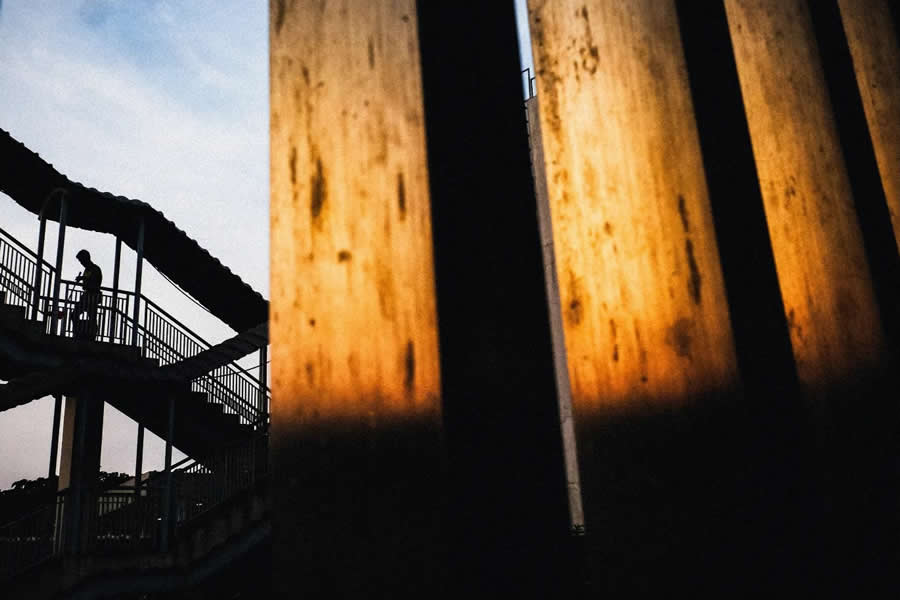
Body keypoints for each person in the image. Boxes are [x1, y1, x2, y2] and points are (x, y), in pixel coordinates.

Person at [72, 249, 102, 340]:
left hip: (93, 297)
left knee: (92, 317)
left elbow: (94, 281)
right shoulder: (86, 269)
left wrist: (83, 278)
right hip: (86, 296)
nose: (81, 263)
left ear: (86, 259)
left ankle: (92, 334)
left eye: (82, 260)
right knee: (74, 314)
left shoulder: (95, 269)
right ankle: (77, 331)